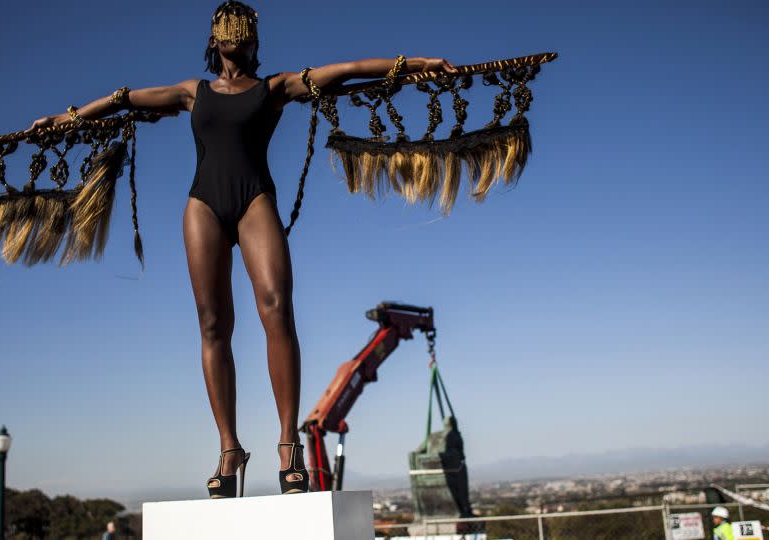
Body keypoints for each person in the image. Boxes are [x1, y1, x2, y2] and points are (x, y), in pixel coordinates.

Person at [25, 0, 457, 498]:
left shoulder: (273, 88)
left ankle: (288, 444)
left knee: (276, 309)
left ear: (253, 39)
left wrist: (414, 64)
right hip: (202, 206)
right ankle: (230, 449)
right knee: (213, 324)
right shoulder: (194, 92)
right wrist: (70, 116)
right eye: (223, 28)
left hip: (254, 201)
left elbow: (346, 71)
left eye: (242, 28)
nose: (232, 34)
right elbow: (126, 99)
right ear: (213, 40)